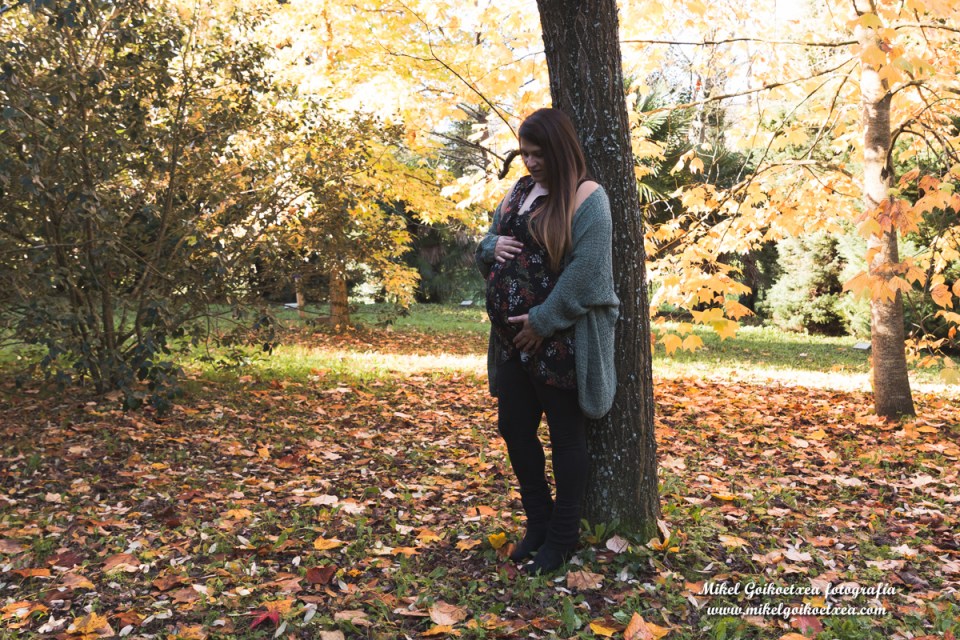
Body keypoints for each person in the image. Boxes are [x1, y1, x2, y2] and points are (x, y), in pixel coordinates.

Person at [475, 108, 619, 575]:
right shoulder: (518, 191)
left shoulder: (587, 196)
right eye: (525, 153)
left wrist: (542, 320)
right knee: (515, 429)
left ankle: (562, 537)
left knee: (565, 438)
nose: (531, 162)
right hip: (512, 341)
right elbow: (491, 242)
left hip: (559, 341)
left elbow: (588, 271)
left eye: (539, 154)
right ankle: (537, 523)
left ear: (559, 149)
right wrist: (487, 248)